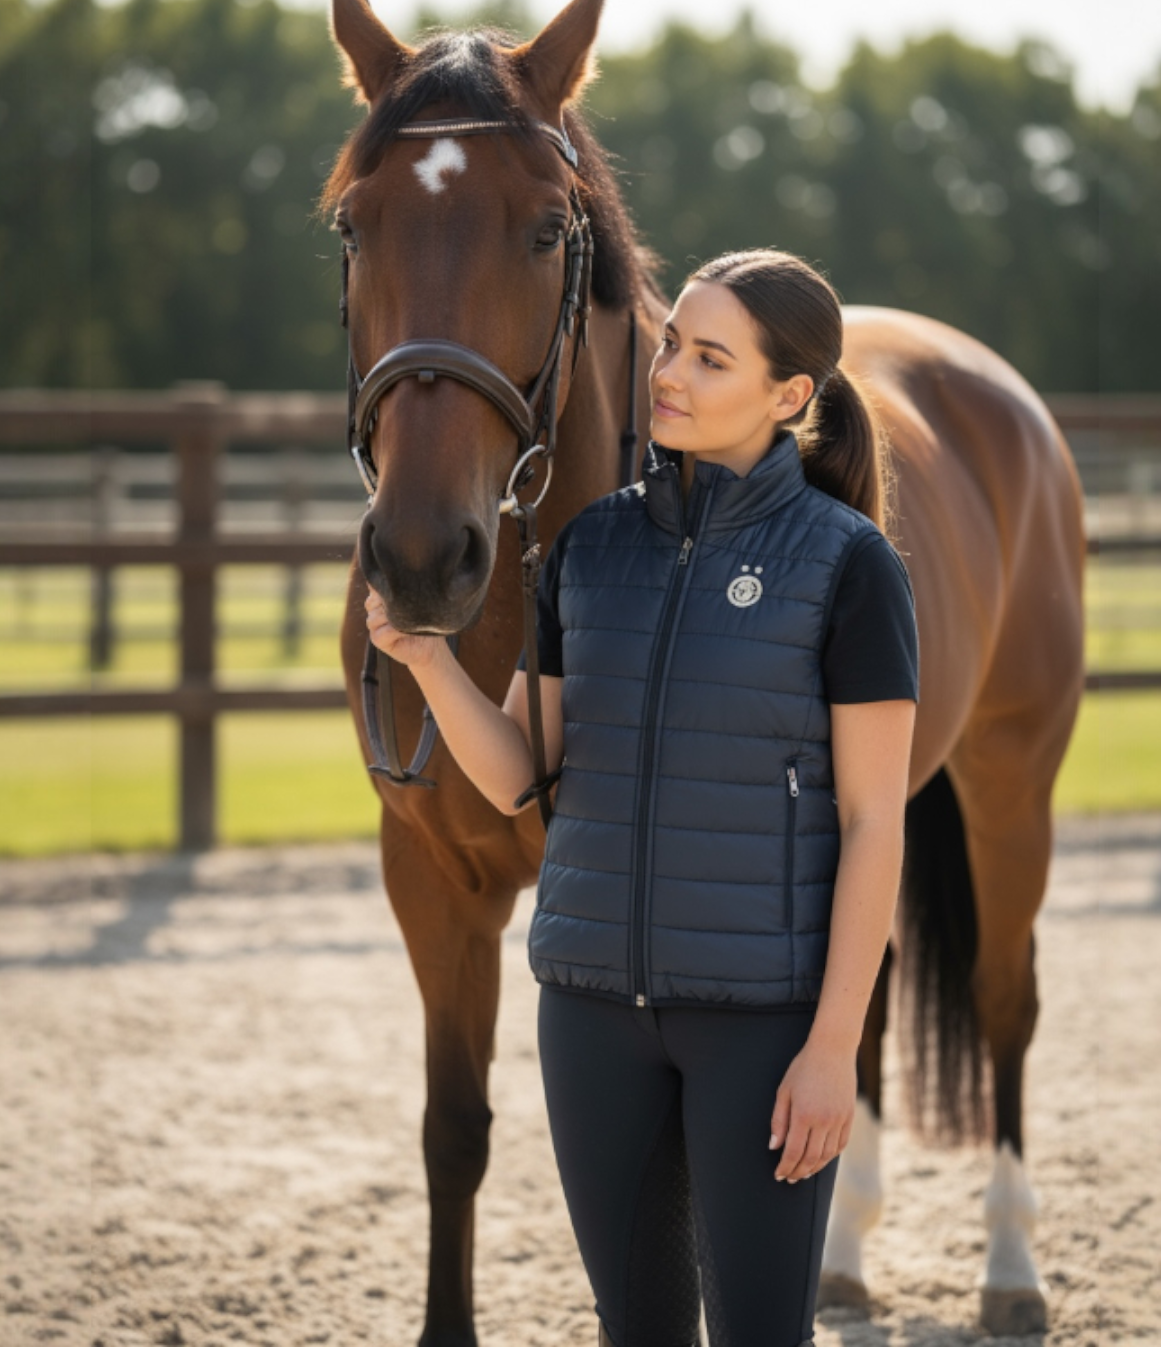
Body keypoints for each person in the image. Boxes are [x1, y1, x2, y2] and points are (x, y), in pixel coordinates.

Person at [365, 248, 919, 1347]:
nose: (670, 373)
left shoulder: (851, 567)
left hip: (760, 1029)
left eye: (713, 359)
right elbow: (527, 771)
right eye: (674, 344)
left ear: (790, 396)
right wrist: (428, 661)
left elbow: (873, 825)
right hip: (589, 1021)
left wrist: (833, 1049)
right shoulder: (588, 549)